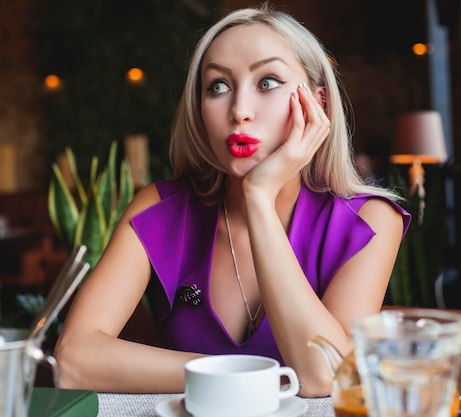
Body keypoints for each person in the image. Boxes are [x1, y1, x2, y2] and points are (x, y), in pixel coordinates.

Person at [54, 2, 410, 397]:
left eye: (268, 81)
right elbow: (73, 361)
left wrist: (259, 196)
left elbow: (324, 376)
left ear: (317, 104)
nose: (239, 111)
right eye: (217, 86)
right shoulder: (159, 210)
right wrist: (251, 376)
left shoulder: (371, 222)